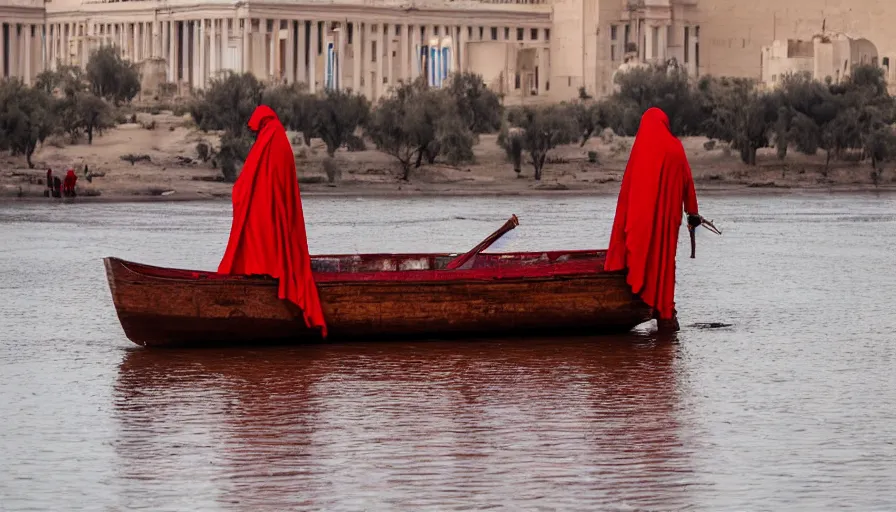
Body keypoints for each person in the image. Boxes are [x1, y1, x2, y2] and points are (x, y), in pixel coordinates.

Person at [218, 105, 328, 337]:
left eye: (258, 128)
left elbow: (254, 177)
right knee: (266, 238)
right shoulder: (276, 137)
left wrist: (244, 193)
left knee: (259, 237)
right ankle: (265, 271)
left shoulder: (271, 138)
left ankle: (262, 272)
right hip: (271, 207)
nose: (257, 133)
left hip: (267, 207)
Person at [604, 107, 701, 332]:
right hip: (669, 222)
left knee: (644, 255)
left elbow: (627, 192)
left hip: (642, 221)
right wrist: (693, 213)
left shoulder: (640, 151)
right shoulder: (676, 148)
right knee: (665, 261)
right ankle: (665, 312)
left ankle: (653, 305)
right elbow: (689, 183)